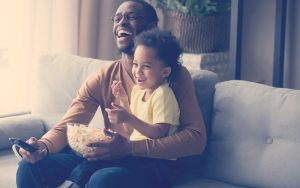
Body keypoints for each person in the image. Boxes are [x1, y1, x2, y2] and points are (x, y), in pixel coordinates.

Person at [16, 1, 206, 188]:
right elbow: (69, 125)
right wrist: (43, 146)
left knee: (104, 179)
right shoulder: (103, 77)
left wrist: (129, 149)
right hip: (110, 156)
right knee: (30, 167)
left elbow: (196, 139)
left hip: (150, 162)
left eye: (131, 17)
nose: (121, 23)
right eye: (117, 18)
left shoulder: (175, 76)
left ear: (151, 27)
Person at [62, 29, 182, 188]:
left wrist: (128, 118)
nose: (137, 71)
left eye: (146, 66)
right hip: (137, 154)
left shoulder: (163, 95)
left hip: (158, 163)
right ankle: (70, 185)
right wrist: (123, 97)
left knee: (104, 171)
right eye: (135, 64)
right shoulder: (140, 90)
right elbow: (137, 113)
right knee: (92, 161)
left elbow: (160, 132)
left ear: (165, 72)